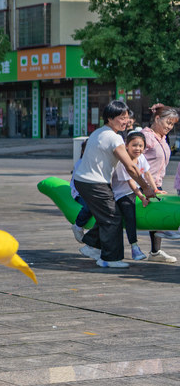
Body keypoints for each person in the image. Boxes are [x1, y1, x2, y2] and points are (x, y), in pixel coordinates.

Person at [75, 100, 156, 269]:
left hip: (86, 181)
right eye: (121, 117)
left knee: (109, 214)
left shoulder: (99, 132)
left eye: (127, 117)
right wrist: (146, 187)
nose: (126, 121)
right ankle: (108, 258)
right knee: (113, 218)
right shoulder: (114, 137)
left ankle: (92, 245)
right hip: (93, 182)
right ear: (110, 119)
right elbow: (131, 167)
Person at [142, 104, 180, 261]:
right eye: (168, 123)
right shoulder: (146, 136)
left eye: (172, 124)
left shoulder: (163, 138)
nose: (170, 127)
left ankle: (155, 252)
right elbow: (134, 159)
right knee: (156, 213)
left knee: (156, 213)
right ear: (157, 119)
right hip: (143, 185)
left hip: (157, 183)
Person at [111, 131, 152, 261]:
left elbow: (147, 174)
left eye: (141, 146)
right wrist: (142, 197)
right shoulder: (123, 161)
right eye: (134, 145)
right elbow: (130, 182)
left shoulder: (141, 157)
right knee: (129, 214)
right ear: (126, 145)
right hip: (122, 194)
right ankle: (134, 247)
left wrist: (155, 189)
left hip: (137, 190)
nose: (138, 148)